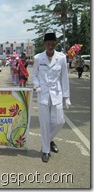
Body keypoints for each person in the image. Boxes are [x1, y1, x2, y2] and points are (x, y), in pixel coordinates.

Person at [32, 32, 71, 163]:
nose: (50, 45)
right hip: (43, 94)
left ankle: (48, 140)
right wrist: (37, 85)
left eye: (52, 43)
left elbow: (64, 78)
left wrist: (67, 97)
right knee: (45, 123)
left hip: (57, 93)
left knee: (60, 122)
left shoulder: (61, 58)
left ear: (55, 43)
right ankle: (45, 150)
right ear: (44, 44)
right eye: (47, 43)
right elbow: (34, 76)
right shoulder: (38, 58)